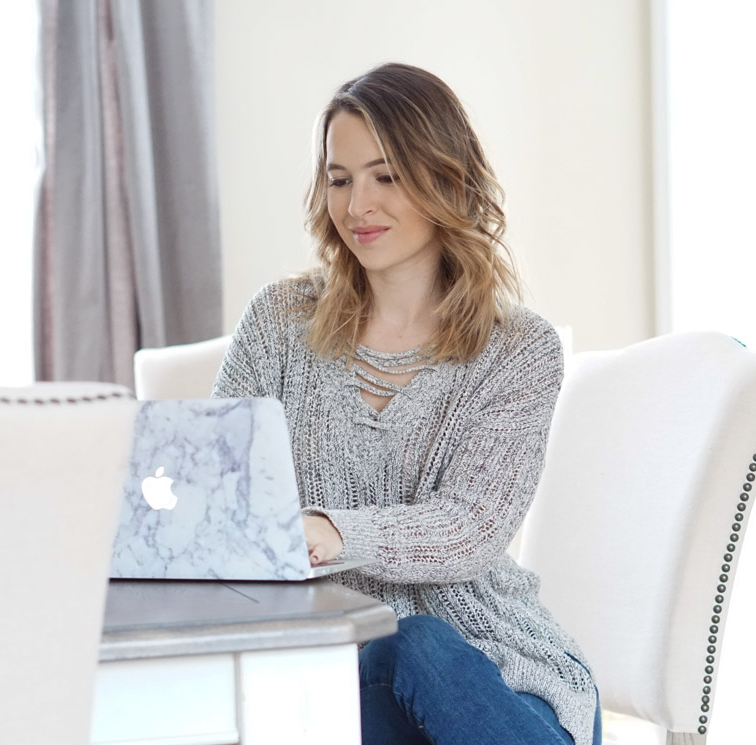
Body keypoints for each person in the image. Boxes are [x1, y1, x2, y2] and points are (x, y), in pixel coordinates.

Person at [213, 62, 602, 745]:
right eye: (340, 178)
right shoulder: (279, 322)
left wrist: (334, 533)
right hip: (345, 682)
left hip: (496, 686)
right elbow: (214, 487)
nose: (357, 204)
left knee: (416, 642)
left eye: (385, 175)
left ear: (443, 177)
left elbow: (473, 525)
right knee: (361, 669)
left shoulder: (518, 349)